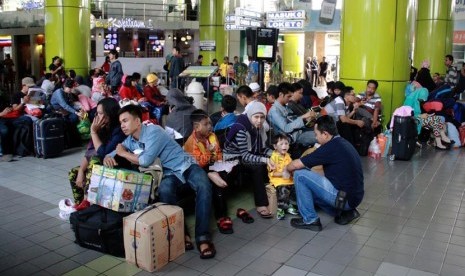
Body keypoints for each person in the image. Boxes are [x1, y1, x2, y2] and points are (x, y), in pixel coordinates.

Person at [103, 104, 216, 259]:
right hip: (169, 174)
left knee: (204, 186)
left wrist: (122, 153)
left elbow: (145, 160)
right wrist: (108, 157)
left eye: (125, 121)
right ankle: (182, 234)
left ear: (137, 121)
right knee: (164, 190)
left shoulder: (153, 132)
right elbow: (114, 151)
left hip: (185, 165)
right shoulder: (130, 140)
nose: (122, 125)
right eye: (121, 122)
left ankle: (203, 237)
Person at [286, 115, 364, 231]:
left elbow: (296, 165)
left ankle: (310, 220)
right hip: (354, 197)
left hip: (345, 199)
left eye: (316, 134)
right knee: (311, 188)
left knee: (300, 175)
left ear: (325, 134)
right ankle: (346, 212)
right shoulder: (343, 143)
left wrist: (286, 169)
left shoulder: (329, 148)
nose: (316, 138)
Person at [184, 109, 237, 234]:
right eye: (206, 124)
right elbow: (199, 163)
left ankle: (214, 175)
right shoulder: (191, 143)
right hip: (197, 170)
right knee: (217, 184)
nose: (210, 126)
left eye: (210, 123)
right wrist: (209, 152)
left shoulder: (212, 136)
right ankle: (221, 217)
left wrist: (216, 159)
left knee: (226, 172)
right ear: (196, 127)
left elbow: (218, 154)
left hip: (213, 166)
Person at [68, 98, 125, 208]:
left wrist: (93, 132)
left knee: (94, 161)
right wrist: (80, 170)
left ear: (110, 114)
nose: (97, 117)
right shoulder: (102, 128)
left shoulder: (119, 130)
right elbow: (90, 150)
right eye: (97, 113)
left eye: (100, 113)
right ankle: (79, 205)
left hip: (115, 163)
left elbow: (103, 153)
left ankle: (86, 200)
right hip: (100, 163)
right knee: (73, 173)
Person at [223, 101, 273, 218]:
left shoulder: (258, 127)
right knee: (258, 166)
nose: (259, 120)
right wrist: (266, 160)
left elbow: (261, 149)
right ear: (250, 115)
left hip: (245, 155)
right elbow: (245, 155)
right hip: (233, 157)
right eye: (256, 117)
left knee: (275, 159)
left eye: (262, 117)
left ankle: (274, 192)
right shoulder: (241, 129)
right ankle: (261, 204)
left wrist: (275, 154)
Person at [268, 82, 317, 147]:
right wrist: (303, 117)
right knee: (322, 136)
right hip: (293, 138)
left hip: (299, 132)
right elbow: (286, 128)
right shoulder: (274, 111)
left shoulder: (285, 107)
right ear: (281, 94)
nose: (290, 98)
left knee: (323, 130)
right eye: (288, 96)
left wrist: (306, 120)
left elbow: (293, 120)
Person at [268, 133, 298, 220]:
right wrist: (283, 173)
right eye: (281, 144)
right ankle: (280, 208)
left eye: (286, 143)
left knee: (296, 189)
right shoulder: (273, 158)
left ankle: (289, 206)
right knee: (283, 191)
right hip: (278, 181)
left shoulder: (288, 156)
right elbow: (273, 174)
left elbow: (291, 166)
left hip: (289, 179)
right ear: (275, 146)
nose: (284, 146)